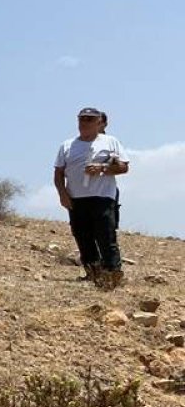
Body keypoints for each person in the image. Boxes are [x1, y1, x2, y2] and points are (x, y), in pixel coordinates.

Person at [54, 107, 129, 284]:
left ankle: (112, 273)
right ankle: (93, 272)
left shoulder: (111, 142)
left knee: (105, 234)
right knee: (82, 235)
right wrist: (62, 194)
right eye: (82, 119)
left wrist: (103, 168)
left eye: (89, 119)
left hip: (103, 196)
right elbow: (58, 173)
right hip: (76, 198)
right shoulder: (67, 145)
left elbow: (124, 167)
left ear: (99, 123)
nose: (84, 123)